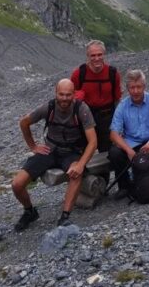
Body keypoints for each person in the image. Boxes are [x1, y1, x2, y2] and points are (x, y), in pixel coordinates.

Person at [11, 79, 97, 230]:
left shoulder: (82, 109)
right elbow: (24, 122)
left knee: (76, 173)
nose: (64, 98)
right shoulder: (48, 107)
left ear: (74, 94)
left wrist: (81, 164)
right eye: (61, 94)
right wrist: (33, 146)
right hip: (49, 151)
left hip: (72, 152)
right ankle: (29, 211)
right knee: (17, 184)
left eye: (68, 95)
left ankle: (65, 216)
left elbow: (93, 142)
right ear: (56, 93)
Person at [108, 69, 149, 198]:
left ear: (144, 86)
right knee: (115, 153)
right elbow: (114, 134)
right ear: (127, 88)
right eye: (132, 88)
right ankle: (124, 186)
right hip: (130, 144)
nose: (135, 91)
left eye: (139, 87)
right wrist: (128, 150)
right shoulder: (122, 106)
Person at [71, 40, 123, 153]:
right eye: (93, 55)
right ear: (87, 56)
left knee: (106, 152)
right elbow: (69, 98)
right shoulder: (79, 73)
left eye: (99, 55)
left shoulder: (113, 73)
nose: (96, 58)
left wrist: (119, 123)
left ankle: (104, 171)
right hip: (85, 117)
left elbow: (117, 99)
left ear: (104, 54)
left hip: (106, 118)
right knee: (83, 151)